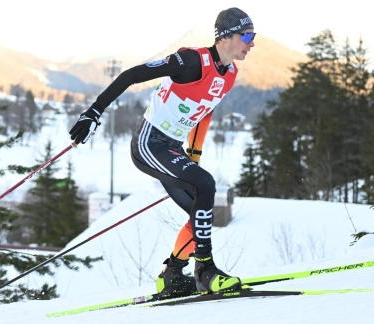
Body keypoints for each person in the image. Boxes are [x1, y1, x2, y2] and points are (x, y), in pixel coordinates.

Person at [69, 7, 255, 296]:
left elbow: (205, 110)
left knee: (201, 210)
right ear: (226, 37)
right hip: (150, 143)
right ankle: (205, 270)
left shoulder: (229, 74)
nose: (252, 43)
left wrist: (193, 153)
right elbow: (133, 74)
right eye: (248, 35)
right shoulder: (192, 61)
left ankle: (172, 274)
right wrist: (94, 111)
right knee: (205, 185)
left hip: (173, 147)